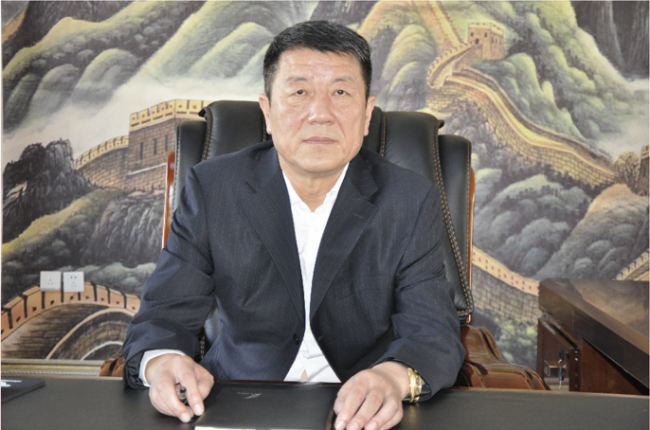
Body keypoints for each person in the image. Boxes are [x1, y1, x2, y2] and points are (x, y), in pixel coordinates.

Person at [122, 20, 465, 430]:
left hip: (361, 410)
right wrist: (162, 362)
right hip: (236, 402)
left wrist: (391, 379)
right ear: (267, 112)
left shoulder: (408, 199)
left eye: (340, 93)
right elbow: (163, 317)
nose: (320, 114)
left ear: (366, 114)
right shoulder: (213, 188)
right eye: (299, 92)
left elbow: (432, 332)